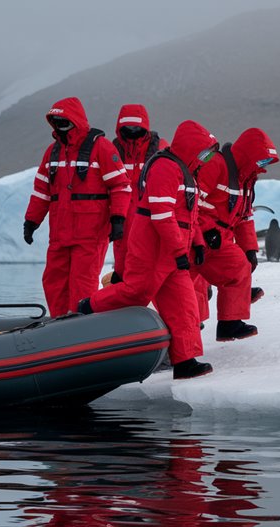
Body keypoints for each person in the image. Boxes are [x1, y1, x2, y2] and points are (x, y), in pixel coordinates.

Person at [77, 120, 217, 380]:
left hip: (173, 250)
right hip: (153, 249)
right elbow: (162, 216)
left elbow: (189, 214)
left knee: (184, 304)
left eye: (208, 154)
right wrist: (179, 251)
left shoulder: (186, 172)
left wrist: (196, 242)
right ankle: (88, 306)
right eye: (203, 152)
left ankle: (185, 361)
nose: (205, 158)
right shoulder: (165, 167)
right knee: (136, 292)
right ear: (190, 147)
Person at [24, 97, 131, 317]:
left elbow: (120, 185)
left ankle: (80, 326)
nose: (60, 125)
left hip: (90, 233)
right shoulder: (53, 152)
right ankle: (60, 324)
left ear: (75, 120)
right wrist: (32, 221)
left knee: (83, 283)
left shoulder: (101, 147)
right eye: (56, 121)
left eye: (63, 120)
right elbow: (41, 191)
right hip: (60, 233)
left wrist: (118, 219)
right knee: (53, 281)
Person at [192, 127, 279, 342]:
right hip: (197, 235)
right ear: (249, 155)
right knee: (185, 286)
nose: (263, 167)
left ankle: (230, 323)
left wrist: (250, 249)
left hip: (218, 237)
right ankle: (184, 332)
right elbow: (192, 200)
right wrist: (206, 229)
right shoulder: (216, 165)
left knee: (240, 266)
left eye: (266, 163)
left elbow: (245, 216)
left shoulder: (245, 178)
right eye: (261, 161)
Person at [109, 104, 169, 284]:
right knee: (122, 266)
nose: (132, 131)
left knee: (151, 265)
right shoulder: (113, 150)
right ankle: (122, 302)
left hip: (149, 219)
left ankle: (147, 304)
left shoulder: (160, 148)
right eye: (128, 127)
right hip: (122, 219)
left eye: (137, 127)